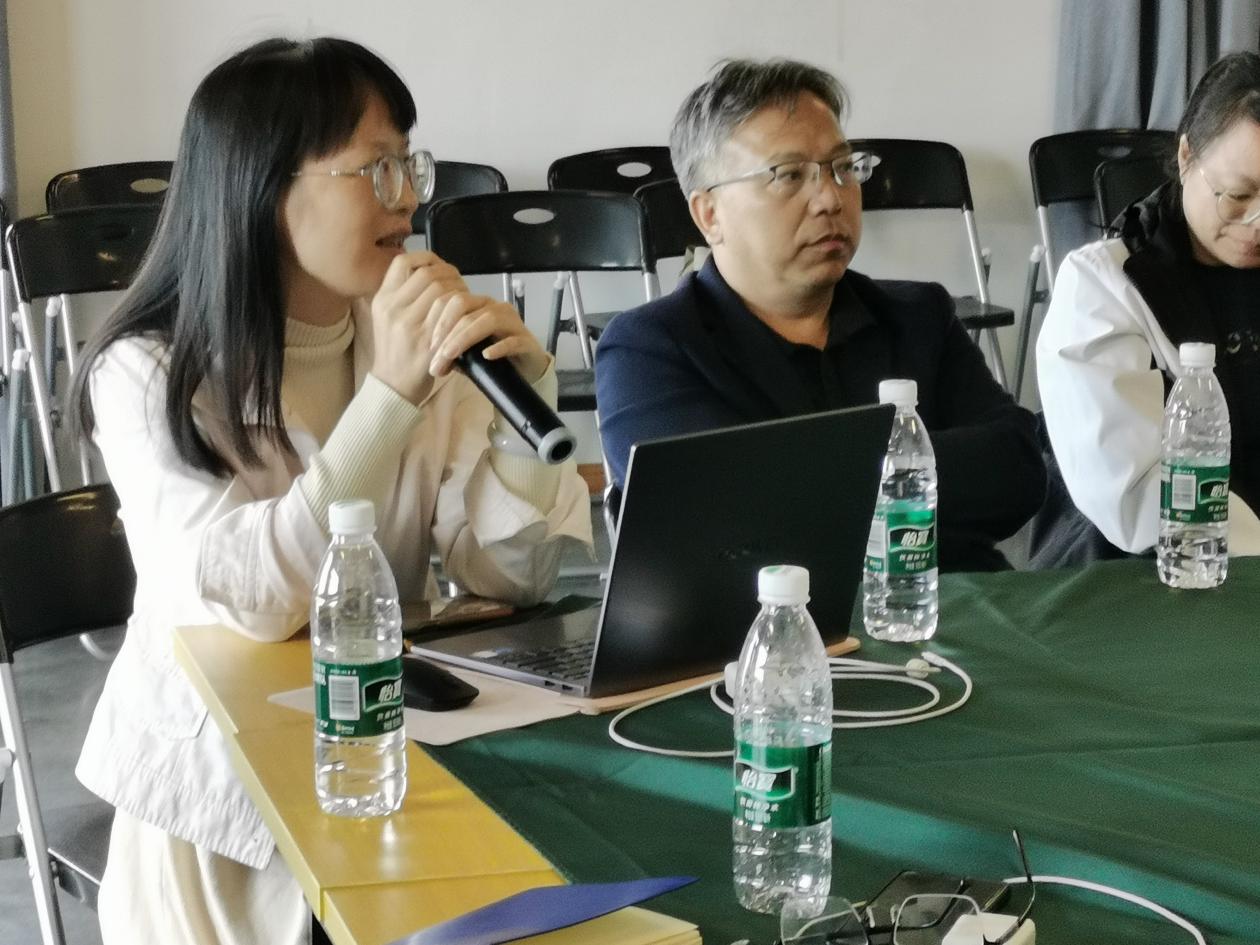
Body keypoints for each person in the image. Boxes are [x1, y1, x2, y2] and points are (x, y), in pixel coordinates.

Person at [70, 37, 592, 944]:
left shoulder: (408, 339)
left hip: (393, 761)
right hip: (222, 815)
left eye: (411, 163)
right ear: (263, 189)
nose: (409, 196)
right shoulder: (147, 370)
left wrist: (527, 408)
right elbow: (258, 599)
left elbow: (509, 577)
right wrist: (389, 399)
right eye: (375, 167)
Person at [595, 59, 1044, 572]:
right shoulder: (649, 348)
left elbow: (1018, 471)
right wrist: (917, 474)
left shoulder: (919, 315)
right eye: (788, 175)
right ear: (709, 214)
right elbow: (717, 523)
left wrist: (801, 480)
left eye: (843, 168)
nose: (831, 198)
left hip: (951, 604)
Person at [1037, 51, 1260, 558]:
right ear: (1186, 158)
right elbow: (1136, 490)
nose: (1256, 224)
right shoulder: (1103, 286)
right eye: (1237, 196)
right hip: (1150, 565)